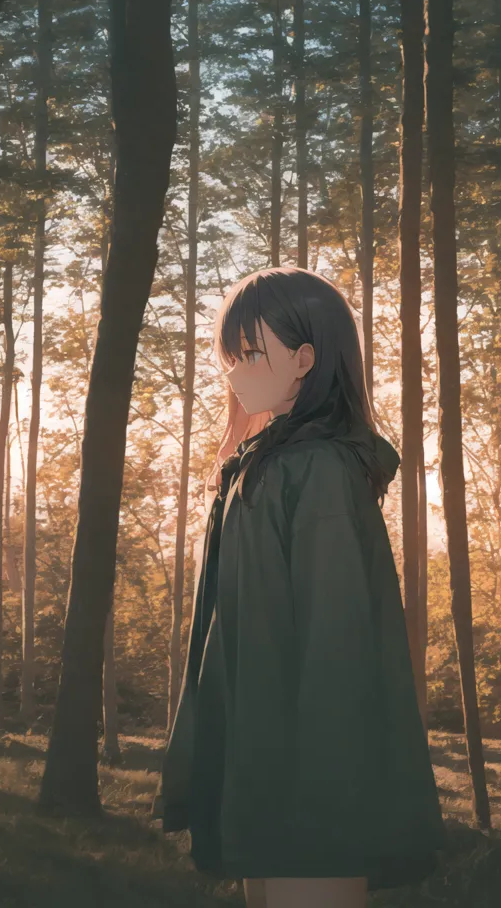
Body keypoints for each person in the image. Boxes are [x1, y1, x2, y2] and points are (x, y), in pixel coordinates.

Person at [152, 267, 447, 907]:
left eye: (251, 354)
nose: (235, 373)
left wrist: (318, 785)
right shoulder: (260, 466)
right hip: (262, 760)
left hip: (312, 777)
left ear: (307, 358)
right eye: (231, 357)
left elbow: (337, 638)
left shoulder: (318, 471)